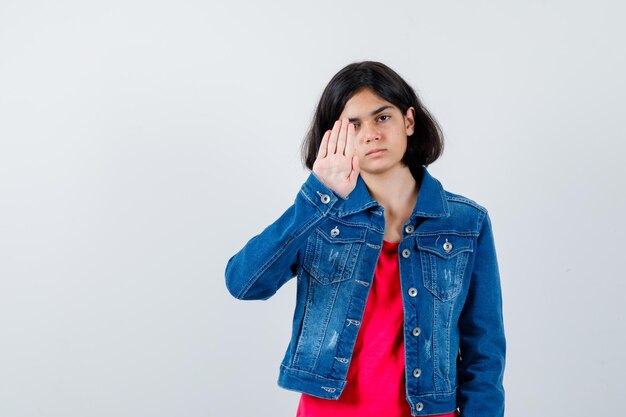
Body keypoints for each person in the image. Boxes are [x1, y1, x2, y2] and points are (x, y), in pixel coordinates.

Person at [225, 61, 505, 417]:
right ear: (335, 138)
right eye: (353, 125)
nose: (370, 133)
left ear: (409, 121)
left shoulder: (466, 222)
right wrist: (317, 195)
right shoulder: (319, 215)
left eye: (382, 117)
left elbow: (484, 347)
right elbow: (242, 282)